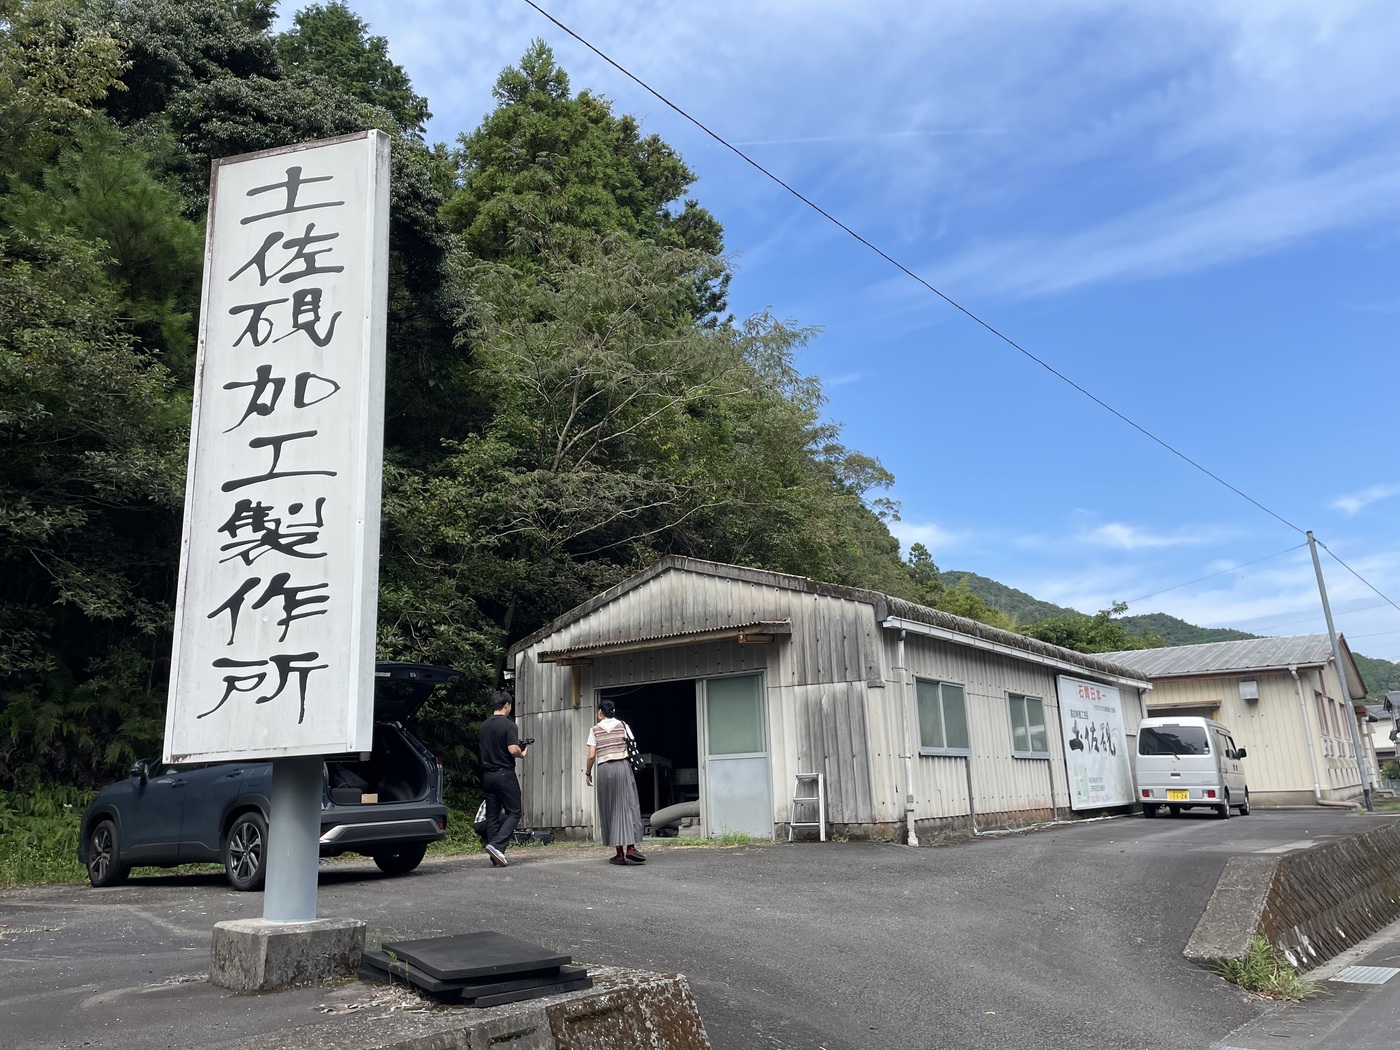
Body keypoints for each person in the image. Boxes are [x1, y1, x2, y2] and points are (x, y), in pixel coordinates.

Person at [585, 700, 646, 865]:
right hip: (622, 767)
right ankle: (631, 848)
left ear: (600, 712)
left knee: (610, 808)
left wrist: (588, 773)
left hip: (604, 770)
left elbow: (591, 755)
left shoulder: (594, 730)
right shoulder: (623, 725)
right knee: (628, 804)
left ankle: (619, 853)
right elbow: (633, 744)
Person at [479, 690, 528, 867]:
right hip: (504, 774)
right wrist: (522, 753)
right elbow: (512, 749)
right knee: (515, 811)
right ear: (507, 705)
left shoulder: (484, 726)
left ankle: (495, 855)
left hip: (487, 775)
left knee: (492, 815)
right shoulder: (509, 725)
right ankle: (497, 846)